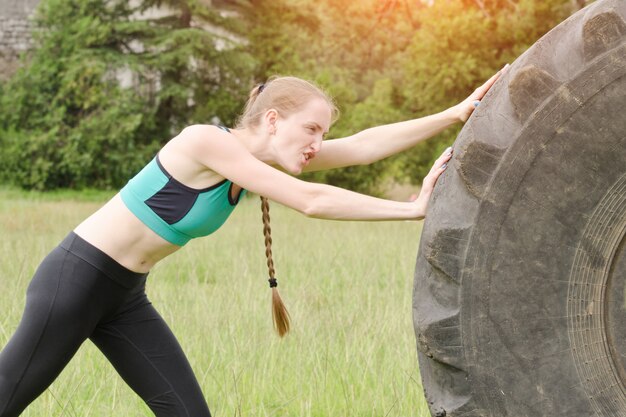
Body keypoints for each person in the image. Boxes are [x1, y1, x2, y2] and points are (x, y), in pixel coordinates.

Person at [0, 68, 506, 417]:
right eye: (310, 128)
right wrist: (410, 209)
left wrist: (455, 113)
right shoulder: (205, 143)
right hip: (75, 281)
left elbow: (362, 146)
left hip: (123, 297)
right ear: (271, 120)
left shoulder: (258, 159)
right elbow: (309, 201)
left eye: (321, 133)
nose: (317, 143)